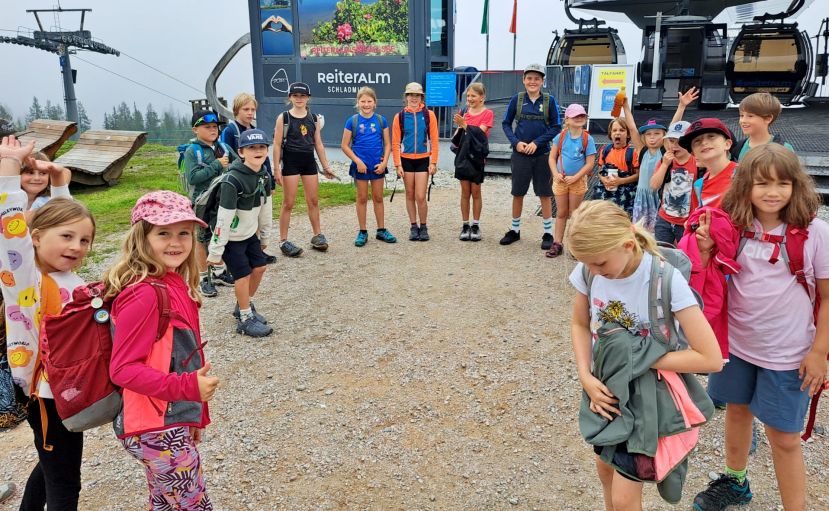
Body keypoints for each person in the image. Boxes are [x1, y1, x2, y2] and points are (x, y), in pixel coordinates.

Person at [690, 144, 828, 511]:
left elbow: (828, 297)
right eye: (762, 183)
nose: (773, 192)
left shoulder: (815, 233)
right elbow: (716, 278)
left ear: (797, 185)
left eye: (783, 183)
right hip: (736, 344)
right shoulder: (733, 226)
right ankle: (735, 481)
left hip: (789, 352)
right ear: (745, 185)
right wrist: (705, 251)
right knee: (736, 411)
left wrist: (818, 352)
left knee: (784, 437)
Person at [566, 199, 722, 511]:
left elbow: (710, 358)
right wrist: (585, 376)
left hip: (646, 399)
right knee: (605, 471)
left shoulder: (665, 279)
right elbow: (580, 323)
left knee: (625, 498)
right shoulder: (590, 270)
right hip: (605, 389)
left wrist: (640, 358)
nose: (593, 271)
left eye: (599, 264)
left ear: (627, 244)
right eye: (587, 264)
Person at [105, 190, 219, 510]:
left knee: (166, 502)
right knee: (192, 505)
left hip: (169, 421)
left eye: (184, 233)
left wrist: (194, 416)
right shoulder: (144, 294)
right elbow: (123, 369)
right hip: (154, 427)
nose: (176, 242)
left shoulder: (174, 283)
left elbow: (187, 357)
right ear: (142, 237)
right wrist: (187, 390)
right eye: (163, 233)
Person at [0, 135, 95, 510]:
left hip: (64, 391)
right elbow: (13, 232)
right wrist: (9, 166)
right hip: (47, 394)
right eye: (68, 238)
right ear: (34, 239)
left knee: (52, 463)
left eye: (85, 240)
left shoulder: (67, 276)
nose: (76, 246)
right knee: (65, 482)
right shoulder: (28, 280)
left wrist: (60, 184)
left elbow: (59, 222)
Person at [207, 129, 274, 337]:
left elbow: (266, 208)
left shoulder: (263, 176)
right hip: (231, 239)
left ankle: (243, 304)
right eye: (251, 148)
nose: (257, 151)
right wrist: (216, 251)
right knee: (242, 275)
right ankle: (245, 318)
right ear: (241, 152)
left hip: (249, 235)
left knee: (260, 268)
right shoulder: (232, 181)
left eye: (261, 147)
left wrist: (265, 236)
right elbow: (223, 218)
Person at [500, 63, 561, 249]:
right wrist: (516, 142)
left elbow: (556, 127)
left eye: (537, 78)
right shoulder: (516, 100)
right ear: (524, 80)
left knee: (544, 193)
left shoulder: (549, 101)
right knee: (518, 192)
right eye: (529, 78)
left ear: (542, 81)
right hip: (520, 155)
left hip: (542, 154)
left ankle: (548, 233)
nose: (532, 82)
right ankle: (515, 230)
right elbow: (505, 123)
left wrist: (537, 143)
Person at [272, 82, 336, 257]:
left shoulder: (313, 118)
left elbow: (318, 144)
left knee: (313, 200)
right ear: (290, 97)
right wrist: (276, 169)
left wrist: (326, 166)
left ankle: (317, 235)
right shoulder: (283, 118)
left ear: (308, 98)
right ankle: (283, 240)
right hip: (291, 162)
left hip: (308, 162)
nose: (299, 99)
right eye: (295, 95)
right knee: (288, 203)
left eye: (302, 96)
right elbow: (277, 145)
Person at [183, 110, 237, 297]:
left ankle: (220, 272)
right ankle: (204, 278)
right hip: (202, 202)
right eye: (208, 127)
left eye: (215, 127)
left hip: (223, 200)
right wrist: (217, 165)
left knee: (219, 234)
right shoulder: (193, 151)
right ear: (195, 130)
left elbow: (238, 166)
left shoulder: (224, 147)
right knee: (201, 239)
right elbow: (193, 177)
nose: (213, 130)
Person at [220, 93, 278, 265]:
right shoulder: (230, 131)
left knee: (258, 214)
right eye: (246, 109)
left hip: (259, 180)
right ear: (237, 110)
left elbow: (265, 158)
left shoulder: (254, 130)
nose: (250, 113)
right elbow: (227, 154)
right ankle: (234, 254)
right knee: (241, 217)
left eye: (253, 109)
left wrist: (271, 180)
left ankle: (258, 250)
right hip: (239, 181)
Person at [341, 87, 397, 247]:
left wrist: (385, 162)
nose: (366, 104)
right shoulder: (352, 121)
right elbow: (344, 145)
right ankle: (362, 231)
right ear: (358, 103)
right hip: (361, 167)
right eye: (363, 101)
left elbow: (387, 144)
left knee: (379, 198)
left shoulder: (381, 120)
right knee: (362, 198)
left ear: (375, 103)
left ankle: (381, 229)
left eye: (369, 101)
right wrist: (357, 161)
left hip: (377, 165)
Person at [545, 103, 596, 257]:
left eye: (582, 115)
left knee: (574, 213)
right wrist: (555, 174)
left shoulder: (588, 139)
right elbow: (552, 158)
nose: (579, 118)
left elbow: (590, 163)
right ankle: (558, 243)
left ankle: (574, 245)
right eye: (575, 116)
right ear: (567, 119)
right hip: (561, 180)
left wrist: (576, 177)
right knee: (561, 213)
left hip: (577, 181)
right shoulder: (560, 137)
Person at [391, 82, 439, 242]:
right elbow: (395, 143)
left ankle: (423, 226)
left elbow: (434, 140)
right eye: (411, 95)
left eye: (417, 95)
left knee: (420, 196)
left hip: (423, 160)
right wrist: (397, 164)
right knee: (410, 195)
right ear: (406, 97)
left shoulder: (429, 115)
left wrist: (434, 162)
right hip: (406, 160)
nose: (413, 98)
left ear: (421, 97)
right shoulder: (400, 117)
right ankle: (413, 226)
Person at [452, 82, 493, 241]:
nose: (470, 99)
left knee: (476, 192)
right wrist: (460, 127)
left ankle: (475, 225)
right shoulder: (464, 111)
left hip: (477, 157)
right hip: (462, 156)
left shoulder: (487, 113)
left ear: (482, 97)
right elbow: (457, 136)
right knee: (464, 192)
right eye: (468, 96)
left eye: (473, 96)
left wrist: (465, 125)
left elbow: (480, 134)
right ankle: (465, 224)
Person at [650, 121, 697, 245]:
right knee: (662, 252)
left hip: (687, 221)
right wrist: (665, 165)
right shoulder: (665, 161)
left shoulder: (697, 163)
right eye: (671, 141)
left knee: (687, 254)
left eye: (679, 141)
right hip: (664, 218)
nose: (674, 146)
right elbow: (654, 186)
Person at [622, 100, 666, 232]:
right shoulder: (642, 150)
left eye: (657, 133)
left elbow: (675, 124)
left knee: (658, 232)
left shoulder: (665, 151)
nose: (652, 137)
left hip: (658, 197)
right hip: (642, 198)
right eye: (648, 134)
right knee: (639, 231)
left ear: (665, 135)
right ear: (644, 137)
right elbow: (632, 128)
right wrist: (625, 106)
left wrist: (681, 106)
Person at [679, 118, 738, 214]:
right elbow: (697, 217)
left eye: (711, 136)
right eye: (697, 141)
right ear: (693, 154)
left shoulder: (745, 175)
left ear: (727, 144)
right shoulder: (698, 186)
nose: (704, 142)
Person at [593, 117, 639, 217]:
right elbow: (600, 171)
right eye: (614, 130)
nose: (617, 133)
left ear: (628, 134)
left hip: (625, 194)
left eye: (622, 130)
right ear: (610, 134)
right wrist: (603, 179)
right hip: (607, 191)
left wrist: (620, 181)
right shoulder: (605, 150)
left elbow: (638, 176)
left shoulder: (633, 152)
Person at [732, 92, 794, 162]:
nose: (743, 120)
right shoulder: (739, 147)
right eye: (741, 115)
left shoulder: (784, 149)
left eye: (750, 116)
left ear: (768, 118)